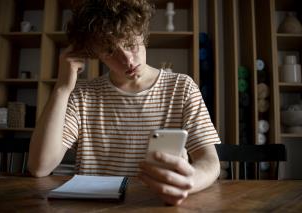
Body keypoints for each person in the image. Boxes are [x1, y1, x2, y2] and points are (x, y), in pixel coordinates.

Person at [28, 0, 221, 206]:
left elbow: (210, 161)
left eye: (130, 43)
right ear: (95, 54)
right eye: (110, 51)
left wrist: (190, 180)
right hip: (94, 208)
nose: (127, 59)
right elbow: (40, 167)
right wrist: (62, 88)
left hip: (155, 206)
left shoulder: (182, 87)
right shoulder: (81, 96)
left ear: (143, 32)